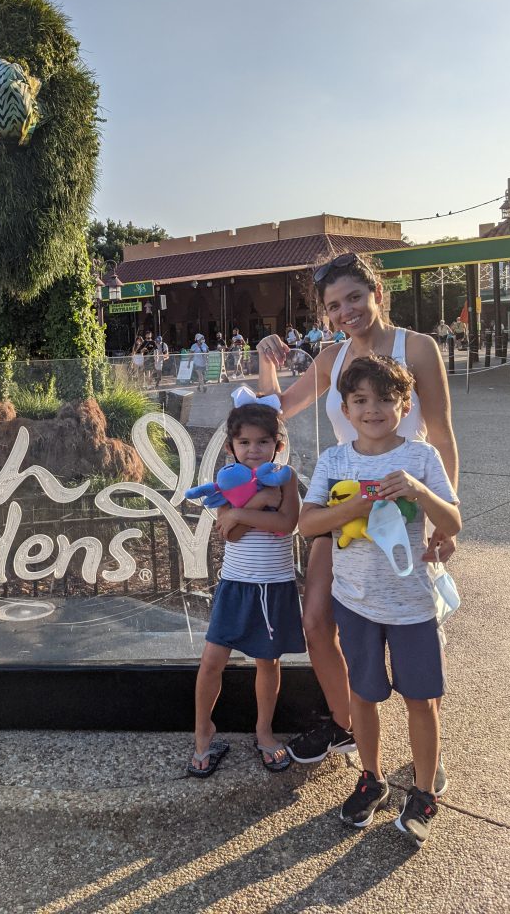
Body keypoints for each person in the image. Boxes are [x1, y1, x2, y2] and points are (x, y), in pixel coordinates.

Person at [255, 252, 458, 779]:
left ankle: (424, 757)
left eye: (354, 298)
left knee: (415, 631)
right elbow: (278, 407)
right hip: (344, 505)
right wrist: (267, 358)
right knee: (317, 621)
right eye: (333, 305)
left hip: (401, 506)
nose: (346, 311)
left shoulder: (416, 347)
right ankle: (349, 725)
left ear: (376, 293)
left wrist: (444, 518)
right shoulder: (331, 357)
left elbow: (439, 433)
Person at [299, 355, 461, 846]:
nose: (373, 410)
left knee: (421, 700)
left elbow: (451, 523)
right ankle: (371, 777)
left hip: (412, 604)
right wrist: (353, 505)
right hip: (356, 603)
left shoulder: (420, 458)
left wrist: (416, 490)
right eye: (361, 401)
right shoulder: (334, 461)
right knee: (364, 695)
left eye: (385, 400)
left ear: (404, 405)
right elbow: (308, 525)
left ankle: (425, 790)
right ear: (345, 410)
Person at [188, 399, 305, 777]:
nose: (253, 450)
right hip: (236, 585)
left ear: (277, 445)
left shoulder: (286, 478)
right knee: (211, 662)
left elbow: (287, 523)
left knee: (267, 662)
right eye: (244, 443)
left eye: (262, 442)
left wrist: (243, 513)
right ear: (230, 447)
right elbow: (230, 533)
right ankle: (203, 733)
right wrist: (252, 505)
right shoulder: (229, 480)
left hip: (274, 586)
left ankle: (264, 731)